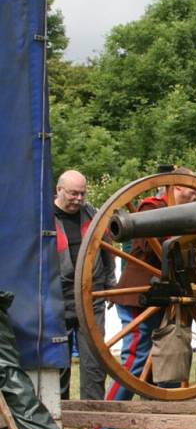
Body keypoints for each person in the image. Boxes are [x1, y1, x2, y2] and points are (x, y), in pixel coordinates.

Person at [90, 168, 196, 429]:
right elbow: (159, 246)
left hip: (162, 295)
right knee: (133, 362)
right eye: (190, 187)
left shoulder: (179, 211)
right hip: (141, 295)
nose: (195, 192)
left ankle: (161, 420)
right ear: (175, 187)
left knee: (166, 358)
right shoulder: (152, 208)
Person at [54, 170, 116, 401]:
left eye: (82, 193)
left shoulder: (92, 215)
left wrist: (110, 283)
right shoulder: (42, 218)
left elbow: (108, 249)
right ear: (59, 190)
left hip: (92, 295)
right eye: (73, 194)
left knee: (94, 360)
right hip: (56, 297)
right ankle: (60, 412)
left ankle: (93, 413)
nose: (79, 199)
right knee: (57, 360)